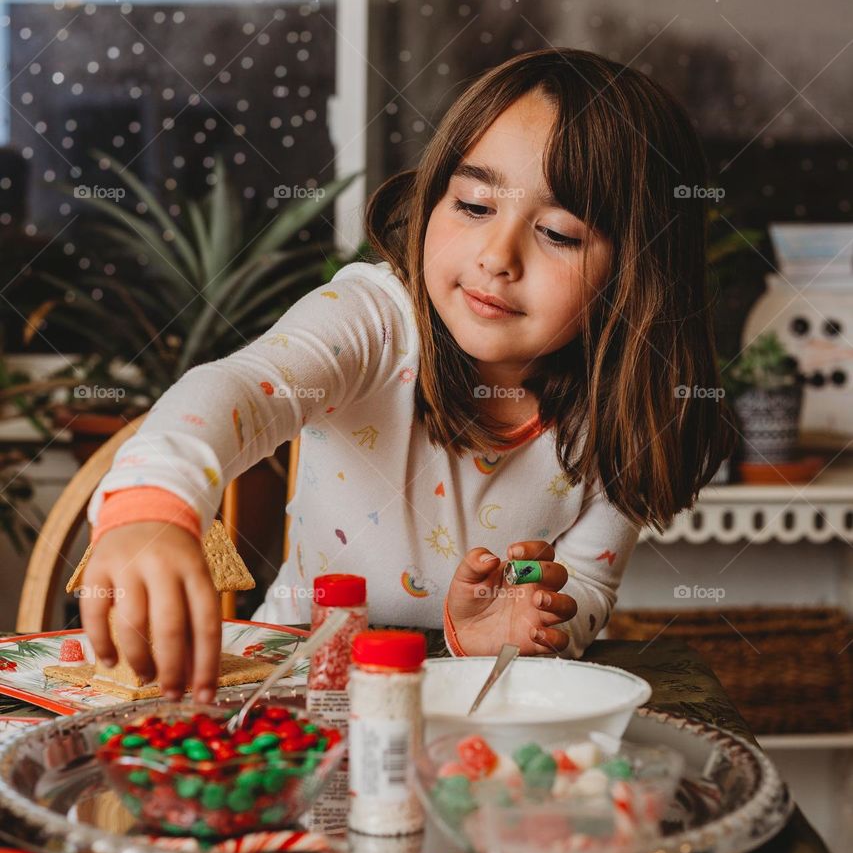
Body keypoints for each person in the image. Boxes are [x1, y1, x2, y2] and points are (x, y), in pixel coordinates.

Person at [79, 48, 734, 703]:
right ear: (432, 197)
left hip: (479, 704)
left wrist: (507, 630)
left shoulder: (625, 408)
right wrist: (151, 509)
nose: (496, 257)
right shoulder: (373, 317)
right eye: (475, 206)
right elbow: (243, 388)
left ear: (637, 272)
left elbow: (584, 588)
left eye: (558, 233)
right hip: (299, 686)